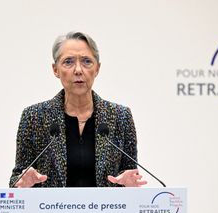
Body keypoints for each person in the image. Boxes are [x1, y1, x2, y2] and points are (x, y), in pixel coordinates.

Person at [9, 31, 147, 188]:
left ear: (97, 68)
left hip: (105, 212)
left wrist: (129, 185)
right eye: (68, 62)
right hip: (52, 211)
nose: (78, 70)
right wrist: (22, 183)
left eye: (87, 61)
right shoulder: (34, 117)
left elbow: (129, 174)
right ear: (55, 69)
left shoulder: (120, 116)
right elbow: (16, 180)